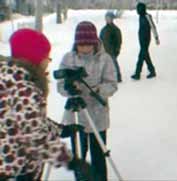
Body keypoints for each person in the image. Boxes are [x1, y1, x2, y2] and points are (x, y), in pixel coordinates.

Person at [0, 28, 91, 181]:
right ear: (35, 58)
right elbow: (35, 137)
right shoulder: (23, 89)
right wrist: (72, 161)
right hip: (17, 169)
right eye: (46, 57)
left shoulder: (9, 79)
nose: (48, 62)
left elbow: (24, 121)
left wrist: (60, 130)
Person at [57, 21, 118, 181]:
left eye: (88, 44)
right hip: (76, 116)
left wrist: (97, 90)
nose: (84, 48)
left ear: (94, 42)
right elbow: (60, 85)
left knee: (98, 153)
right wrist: (68, 89)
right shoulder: (68, 58)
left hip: (98, 115)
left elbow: (112, 84)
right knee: (79, 154)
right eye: (81, 44)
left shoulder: (104, 59)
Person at [131, 2, 160, 80]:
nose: (137, 10)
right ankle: (152, 71)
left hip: (146, 39)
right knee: (145, 55)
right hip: (141, 39)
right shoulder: (140, 16)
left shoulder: (147, 16)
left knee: (141, 56)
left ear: (142, 9)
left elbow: (153, 27)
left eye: (138, 9)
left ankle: (137, 74)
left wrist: (156, 38)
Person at [100, 11, 122, 82]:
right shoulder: (103, 29)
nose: (107, 19)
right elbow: (100, 39)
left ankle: (118, 77)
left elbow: (119, 41)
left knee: (114, 63)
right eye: (106, 18)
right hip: (104, 49)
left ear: (112, 19)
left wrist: (117, 49)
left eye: (109, 18)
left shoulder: (115, 29)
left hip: (111, 50)